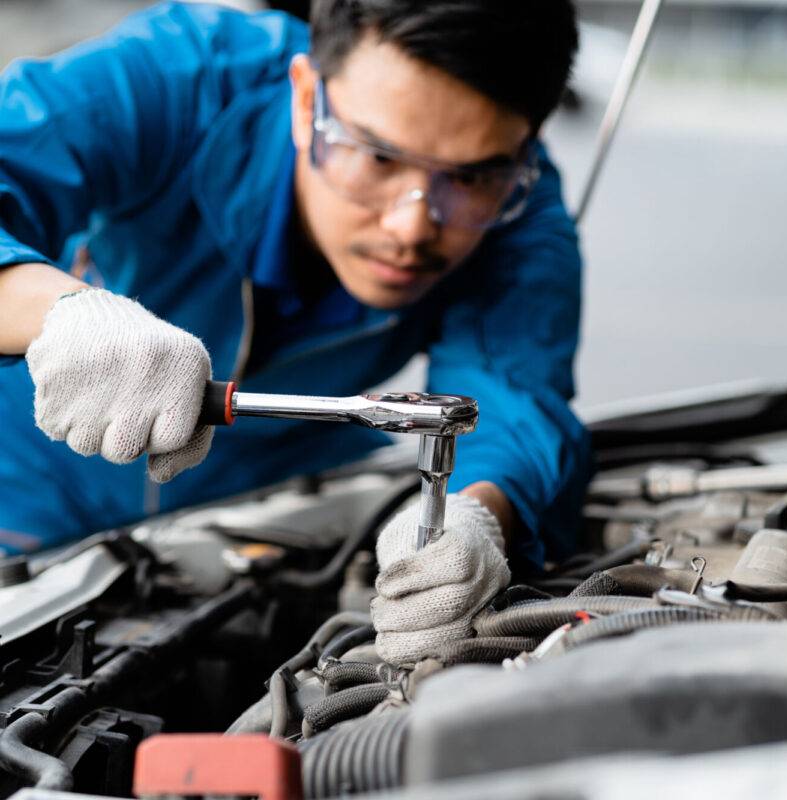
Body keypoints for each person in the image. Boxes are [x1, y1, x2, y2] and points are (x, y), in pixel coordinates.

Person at [0, 0, 590, 664]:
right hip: (18, 496)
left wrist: (476, 518)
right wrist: (63, 313)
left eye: (471, 176)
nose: (412, 226)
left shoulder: (523, 218)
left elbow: (513, 400)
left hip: (235, 547)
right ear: (306, 95)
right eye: (378, 157)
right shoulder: (179, 75)